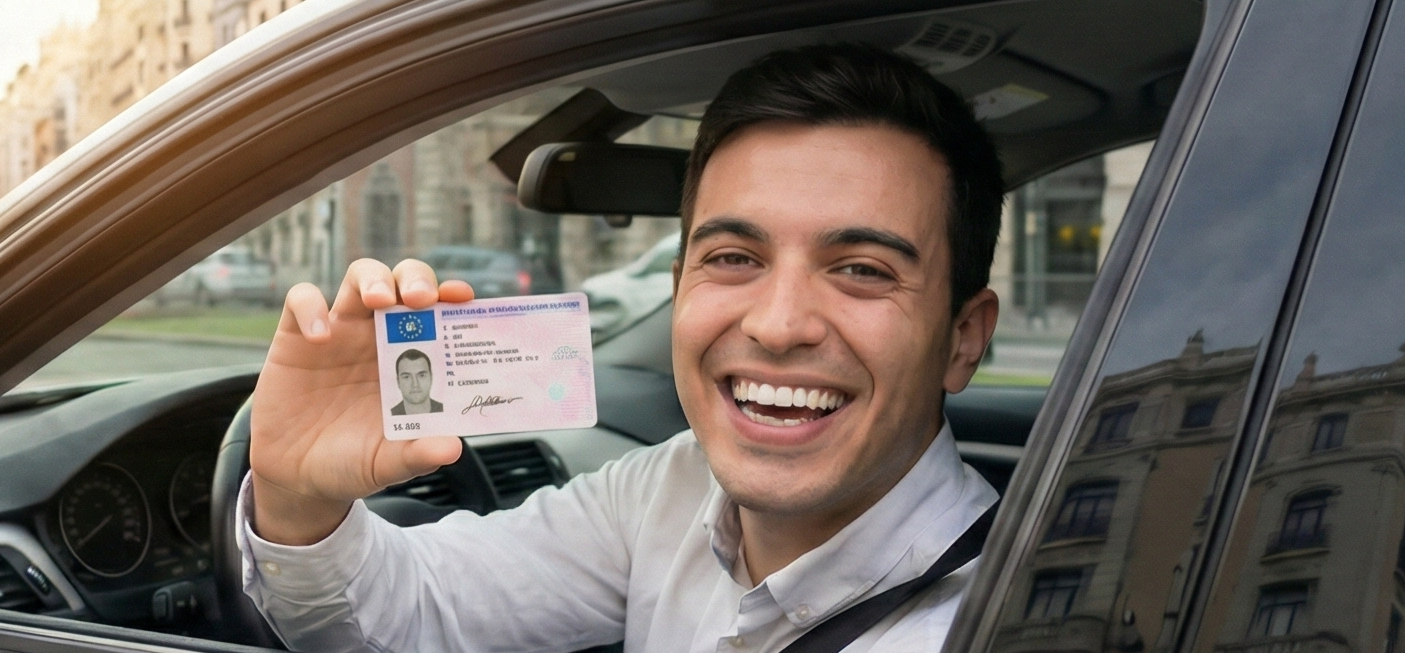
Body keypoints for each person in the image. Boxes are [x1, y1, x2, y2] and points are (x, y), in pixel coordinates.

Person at [242, 43, 1006, 653]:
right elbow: (410, 616)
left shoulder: (1004, 614)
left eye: (862, 271)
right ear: (679, 287)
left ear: (962, 338)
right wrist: (300, 499)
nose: (777, 325)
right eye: (735, 258)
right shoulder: (668, 488)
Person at [389, 348, 443, 415]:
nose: (415, 384)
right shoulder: (389, 414)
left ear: (431, 377)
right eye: (406, 377)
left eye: (422, 375)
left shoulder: (445, 410)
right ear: (398, 382)